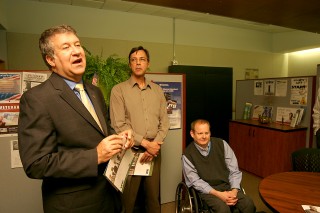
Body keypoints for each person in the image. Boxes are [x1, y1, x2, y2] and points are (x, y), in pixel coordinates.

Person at [18, 25, 133, 213]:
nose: (76, 51)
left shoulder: (94, 91)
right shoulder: (37, 99)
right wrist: (94, 156)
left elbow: (100, 133)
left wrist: (119, 138)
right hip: (74, 205)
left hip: (109, 198)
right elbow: (36, 164)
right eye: (66, 47)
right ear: (50, 59)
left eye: (77, 44)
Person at [109, 46, 169, 213]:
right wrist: (144, 143)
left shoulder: (157, 91)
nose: (138, 63)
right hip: (131, 151)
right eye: (134, 60)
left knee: (153, 200)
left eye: (142, 59)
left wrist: (154, 145)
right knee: (128, 201)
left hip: (154, 153)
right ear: (129, 65)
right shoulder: (118, 90)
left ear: (148, 64)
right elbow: (119, 124)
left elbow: (164, 122)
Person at [182, 119, 256, 213]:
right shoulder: (188, 155)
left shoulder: (222, 144)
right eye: (200, 133)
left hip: (227, 185)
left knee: (248, 204)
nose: (204, 136)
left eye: (206, 133)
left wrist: (234, 191)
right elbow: (195, 181)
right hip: (208, 191)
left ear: (210, 133)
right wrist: (219, 194)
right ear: (192, 134)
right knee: (223, 209)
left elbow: (234, 170)